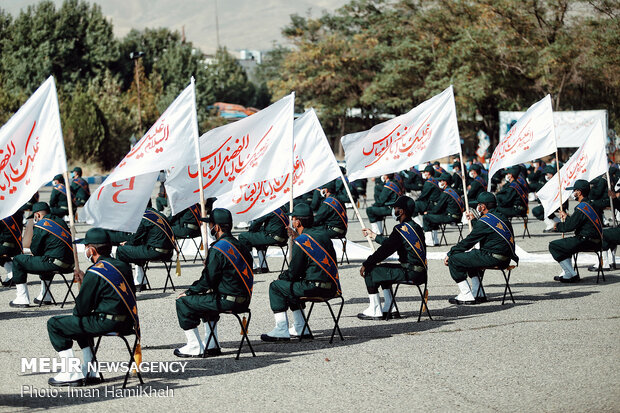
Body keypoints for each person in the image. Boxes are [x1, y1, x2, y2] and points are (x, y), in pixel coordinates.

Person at [46, 228, 136, 387]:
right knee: (81, 322)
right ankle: (90, 369)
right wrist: (87, 279)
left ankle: (71, 372)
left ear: (92, 250)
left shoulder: (95, 271)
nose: (85, 250)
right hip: (128, 322)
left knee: (55, 324)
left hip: (107, 322)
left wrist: (87, 282)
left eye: (86, 247)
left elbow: (81, 309)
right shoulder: (122, 266)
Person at [174, 208, 252, 357]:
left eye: (210, 225)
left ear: (216, 227)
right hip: (244, 300)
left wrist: (189, 292)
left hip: (228, 301)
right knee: (207, 298)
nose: (209, 228)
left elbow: (207, 281)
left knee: (183, 302)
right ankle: (212, 344)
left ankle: (194, 346)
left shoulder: (218, 249)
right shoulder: (240, 245)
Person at [261, 203, 341, 342]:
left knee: (276, 287)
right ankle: (301, 327)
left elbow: (294, 272)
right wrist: (297, 237)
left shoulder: (302, 241)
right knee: (291, 286)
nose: (292, 221)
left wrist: (281, 277)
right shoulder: (323, 235)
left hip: (314, 288)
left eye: (293, 219)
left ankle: (281, 329)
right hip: (331, 288)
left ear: (297, 222)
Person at [358, 196, 427, 320]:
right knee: (383, 269)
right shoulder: (415, 227)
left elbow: (386, 250)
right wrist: (373, 235)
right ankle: (391, 308)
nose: (392, 210)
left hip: (410, 273)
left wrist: (367, 263)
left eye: (395, 208)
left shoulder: (400, 229)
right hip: (421, 272)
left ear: (401, 212)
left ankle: (374, 309)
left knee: (371, 271)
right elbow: (392, 243)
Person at [444, 192, 518, 304]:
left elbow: (469, 241)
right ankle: (478, 293)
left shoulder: (485, 221)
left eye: (478, 205)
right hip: (505, 259)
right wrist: (474, 220)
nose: (477, 207)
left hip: (493, 258)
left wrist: (450, 253)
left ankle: (466, 295)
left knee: (455, 259)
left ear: (483, 206)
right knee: (472, 256)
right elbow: (486, 230)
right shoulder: (501, 216)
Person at [10, 202, 74, 308]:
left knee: (17, 260)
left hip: (55, 264)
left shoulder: (41, 225)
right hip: (70, 265)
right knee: (46, 258)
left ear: (37, 215)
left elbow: (35, 250)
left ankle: (22, 298)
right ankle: (45, 296)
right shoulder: (60, 222)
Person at [549, 180, 602, 283]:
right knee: (565, 245)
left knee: (554, 246)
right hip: (597, 242)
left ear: (579, 192)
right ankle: (568, 273)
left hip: (585, 241)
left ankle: (571, 274)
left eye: (574, 190)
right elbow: (579, 222)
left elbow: (570, 227)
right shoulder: (591, 205)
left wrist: (557, 226)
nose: (573, 193)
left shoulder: (581, 207)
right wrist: (567, 216)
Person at [116, 206, 175, 288]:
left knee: (121, 251)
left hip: (155, 252)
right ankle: (140, 282)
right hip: (168, 253)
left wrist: (125, 243)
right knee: (138, 248)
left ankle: (125, 284)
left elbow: (135, 239)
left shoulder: (143, 217)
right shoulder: (158, 214)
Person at [238, 206, 288, 273]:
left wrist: (251, 231)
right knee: (258, 235)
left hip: (273, 237)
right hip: (283, 239)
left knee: (243, 236)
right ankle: (263, 266)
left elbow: (258, 222)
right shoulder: (281, 209)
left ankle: (252, 267)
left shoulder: (271, 209)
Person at [422, 173, 465, 246]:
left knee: (426, 217)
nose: (439, 183)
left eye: (441, 181)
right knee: (433, 216)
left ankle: (429, 241)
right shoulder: (454, 191)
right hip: (458, 217)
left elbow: (437, 208)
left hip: (450, 217)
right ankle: (435, 241)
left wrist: (428, 212)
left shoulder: (446, 193)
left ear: (445, 182)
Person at [1, 210, 24, 287]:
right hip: (16, 246)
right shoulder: (15, 211)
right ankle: (11, 273)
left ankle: (11, 273)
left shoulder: (4, 214)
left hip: (7, 247)